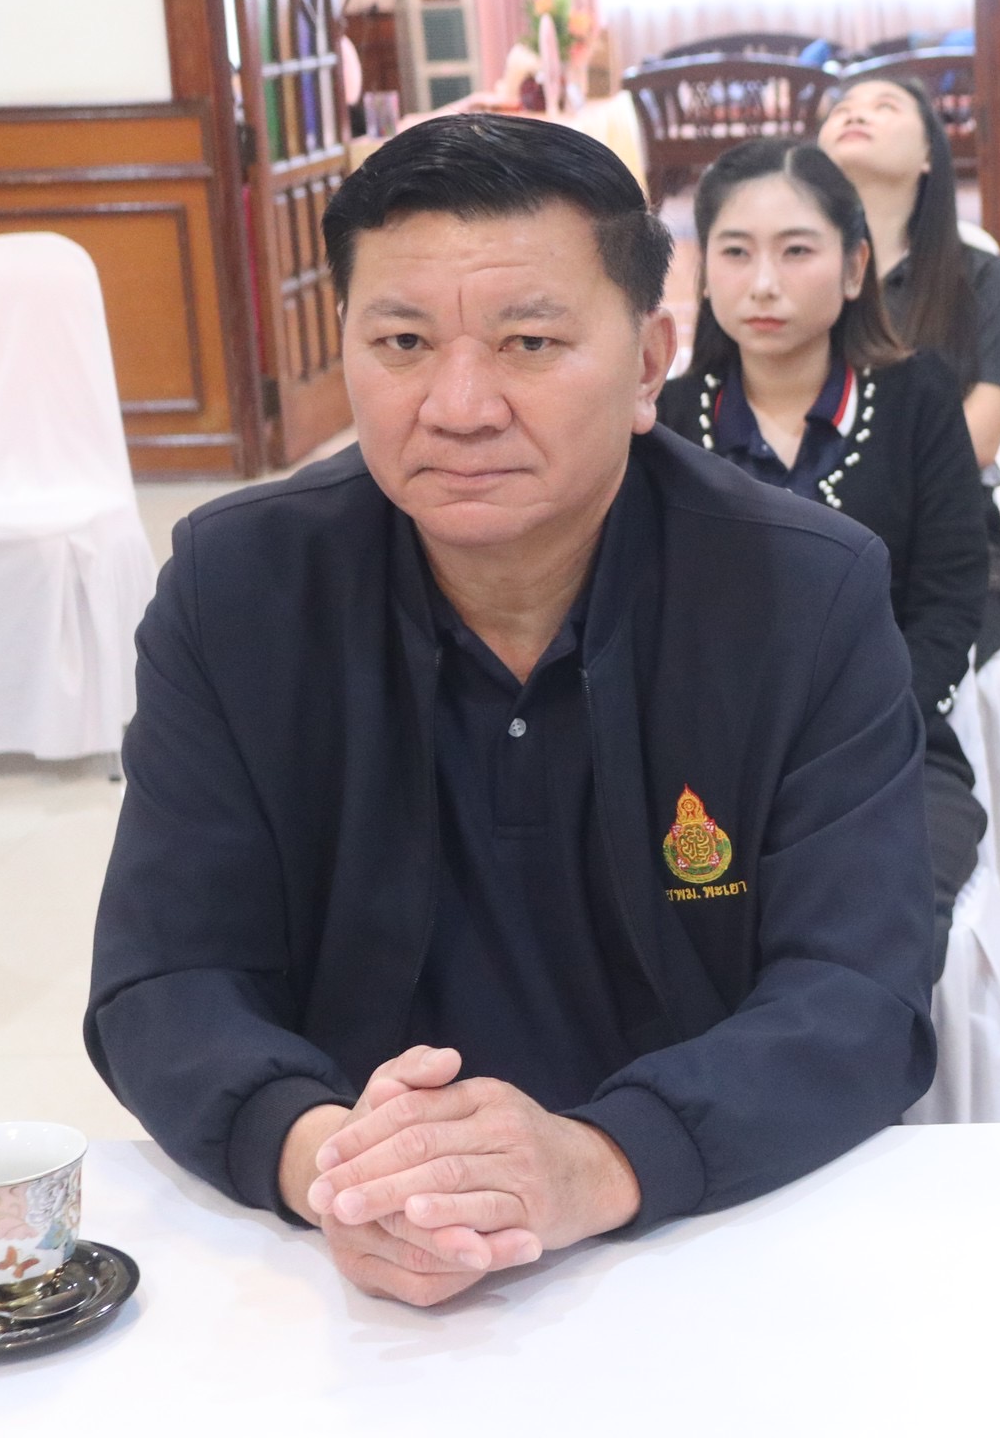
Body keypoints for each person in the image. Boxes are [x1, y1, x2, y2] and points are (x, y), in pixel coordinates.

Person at [85, 114, 936, 1307]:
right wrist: (335, 1163)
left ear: (649, 363)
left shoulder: (804, 591)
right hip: (340, 1259)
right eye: (402, 341)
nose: (459, 404)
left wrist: (594, 1163)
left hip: (706, 1236)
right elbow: (164, 976)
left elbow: (858, 990)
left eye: (529, 341)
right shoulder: (238, 587)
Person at [657, 138, 988, 979]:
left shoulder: (917, 399)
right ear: (704, 272)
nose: (763, 283)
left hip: (888, 748)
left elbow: (951, 599)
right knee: (687, 938)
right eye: (736, 253)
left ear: (854, 268)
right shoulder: (662, 423)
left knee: (878, 933)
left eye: (796, 251)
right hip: (701, 763)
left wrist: (863, 728)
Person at [820, 76, 1000, 659]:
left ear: (927, 156)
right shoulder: (793, 279)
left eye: (884, 106)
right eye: (842, 109)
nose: (855, 114)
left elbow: (978, 443)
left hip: (944, 543)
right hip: (809, 528)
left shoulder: (980, 277)